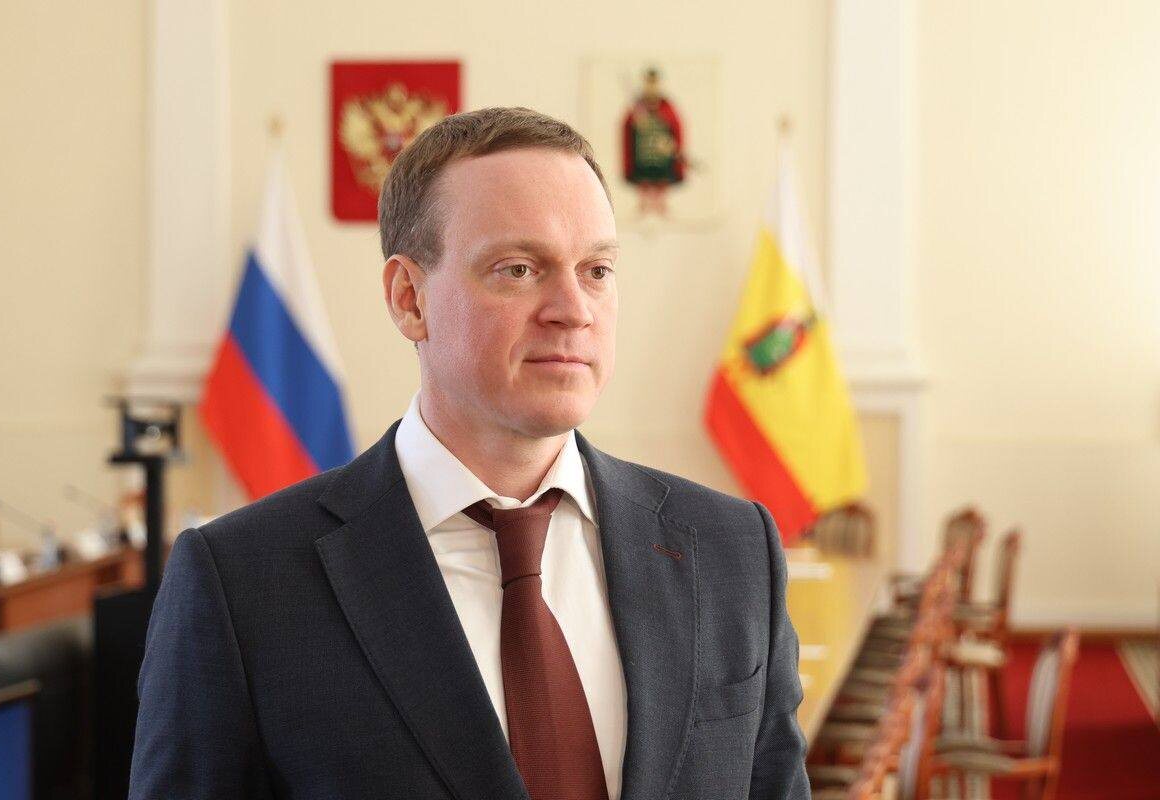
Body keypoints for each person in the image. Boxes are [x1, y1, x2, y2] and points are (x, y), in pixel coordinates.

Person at [129, 106, 810, 800]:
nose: (573, 308)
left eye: (597, 269)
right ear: (409, 299)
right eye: (518, 269)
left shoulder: (732, 550)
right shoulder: (242, 583)